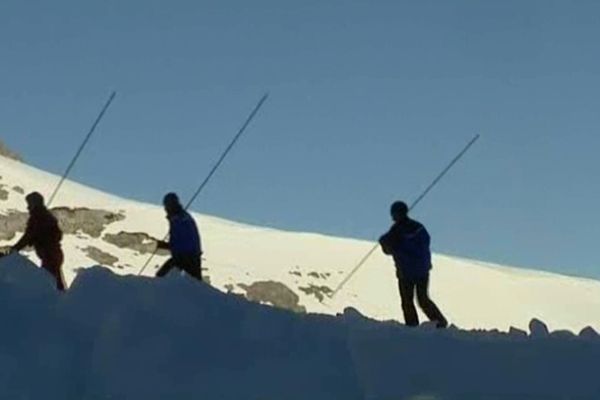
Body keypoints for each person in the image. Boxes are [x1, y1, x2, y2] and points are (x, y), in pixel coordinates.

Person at [379, 201, 447, 328]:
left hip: (406, 272)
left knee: (407, 301)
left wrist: (385, 243)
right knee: (422, 299)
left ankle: (412, 327)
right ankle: (439, 322)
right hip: (421, 270)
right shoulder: (418, 227)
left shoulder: (396, 231)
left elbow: (390, 249)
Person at [10, 192, 66, 291]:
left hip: (49, 255)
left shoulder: (38, 217)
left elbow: (27, 236)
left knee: (50, 284)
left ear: (34, 203)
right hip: (54, 254)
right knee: (56, 283)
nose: (28, 207)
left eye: (29, 204)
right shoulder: (45, 216)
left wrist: (14, 249)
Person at [155, 192, 203, 282]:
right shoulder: (184, 217)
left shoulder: (177, 219)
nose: (165, 208)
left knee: (161, 277)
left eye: (167, 205)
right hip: (193, 256)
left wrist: (165, 245)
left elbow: (179, 242)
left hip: (184, 257)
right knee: (196, 283)